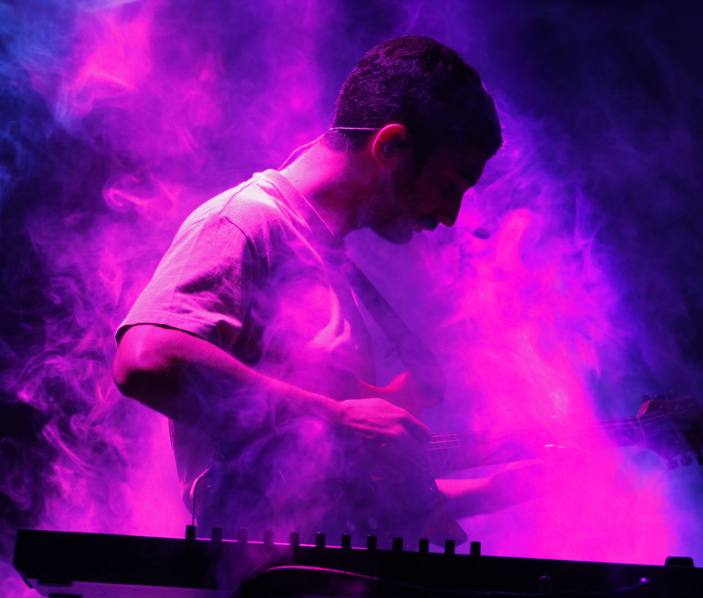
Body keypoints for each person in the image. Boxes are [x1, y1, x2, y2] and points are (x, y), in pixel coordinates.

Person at [113, 36, 509, 542]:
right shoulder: (246, 220)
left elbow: (332, 492)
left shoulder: (331, 265)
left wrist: (498, 488)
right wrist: (339, 417)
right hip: (259, 572)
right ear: (389, 147)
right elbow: (147, 357)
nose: (450, 215)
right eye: (449, 185)